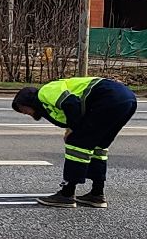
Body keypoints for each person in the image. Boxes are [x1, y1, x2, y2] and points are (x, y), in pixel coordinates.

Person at [10, 76, 139, 208]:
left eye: (22, 108)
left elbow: (71, 103)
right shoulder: (46, 103)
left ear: (27, 101)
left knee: (76, 144)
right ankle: (96, 194)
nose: (24, 113)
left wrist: (71, 130)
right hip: (126, 100)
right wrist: (71, 128)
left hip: (108, 97)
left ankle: (67, 194)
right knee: (98, 147)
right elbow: (72, 111)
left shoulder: (45, 92)